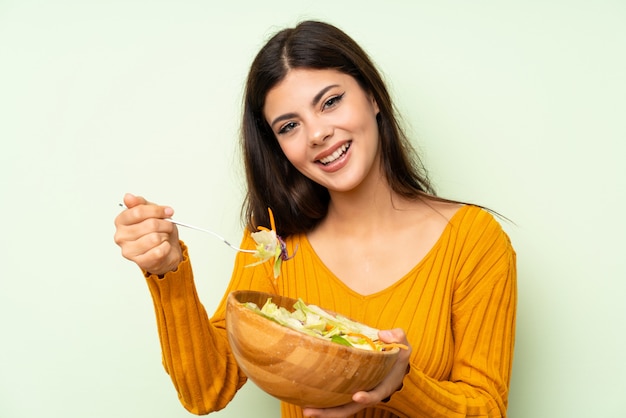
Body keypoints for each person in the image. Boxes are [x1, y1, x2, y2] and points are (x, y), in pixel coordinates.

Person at [114, 20, 516, 418]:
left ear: (373, 97)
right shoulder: (273, 245)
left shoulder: (473, 240)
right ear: (278, 147)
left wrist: (399, 383)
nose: (317, 134)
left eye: (330, 102)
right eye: (290, 126)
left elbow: (487, 409)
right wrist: (169, 274)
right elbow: (205, 391)